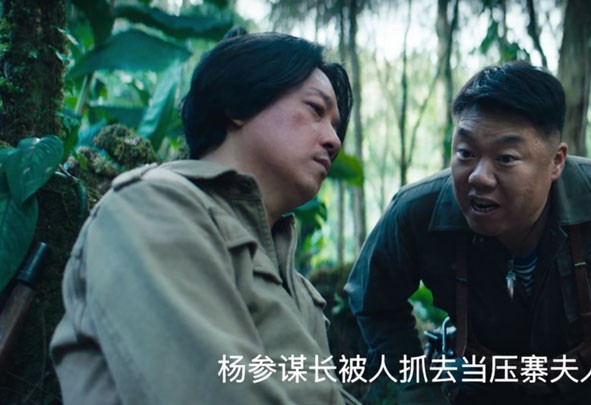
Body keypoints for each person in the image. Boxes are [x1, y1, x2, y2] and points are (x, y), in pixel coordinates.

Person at [345, 61, 591, 404]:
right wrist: (418, 387)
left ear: (556, 161)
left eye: (505, 158)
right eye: (465, 153)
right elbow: (373, 300)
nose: (479, 177)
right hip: (480, 380)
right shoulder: (416, 211)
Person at [51, 31, 360, 404]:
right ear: (238, 103)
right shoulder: (152, 207)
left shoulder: (300, 291)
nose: (334, 140)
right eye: (315, 110)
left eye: (335, 125)